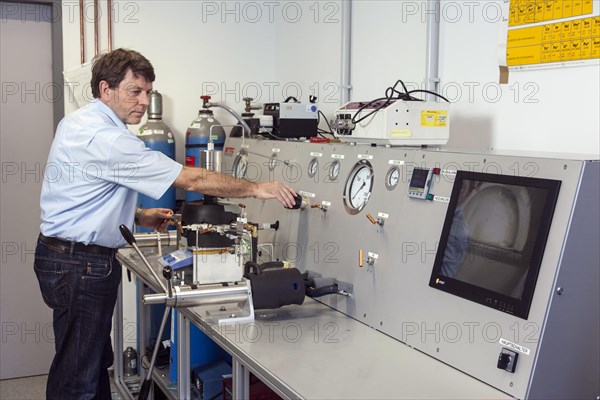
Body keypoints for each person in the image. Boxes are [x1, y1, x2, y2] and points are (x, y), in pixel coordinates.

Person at [34, 48, 296, 400]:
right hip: (82, 265)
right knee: (78, 376)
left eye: (147, 92)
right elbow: (193, 181)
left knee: (87, 360)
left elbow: (83, 195)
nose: (143, 101)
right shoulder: (111, 139)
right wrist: (256, 188)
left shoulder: (79, 122)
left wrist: (139, 216)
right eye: (134, 91)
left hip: (61, 256)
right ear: (105, 89)